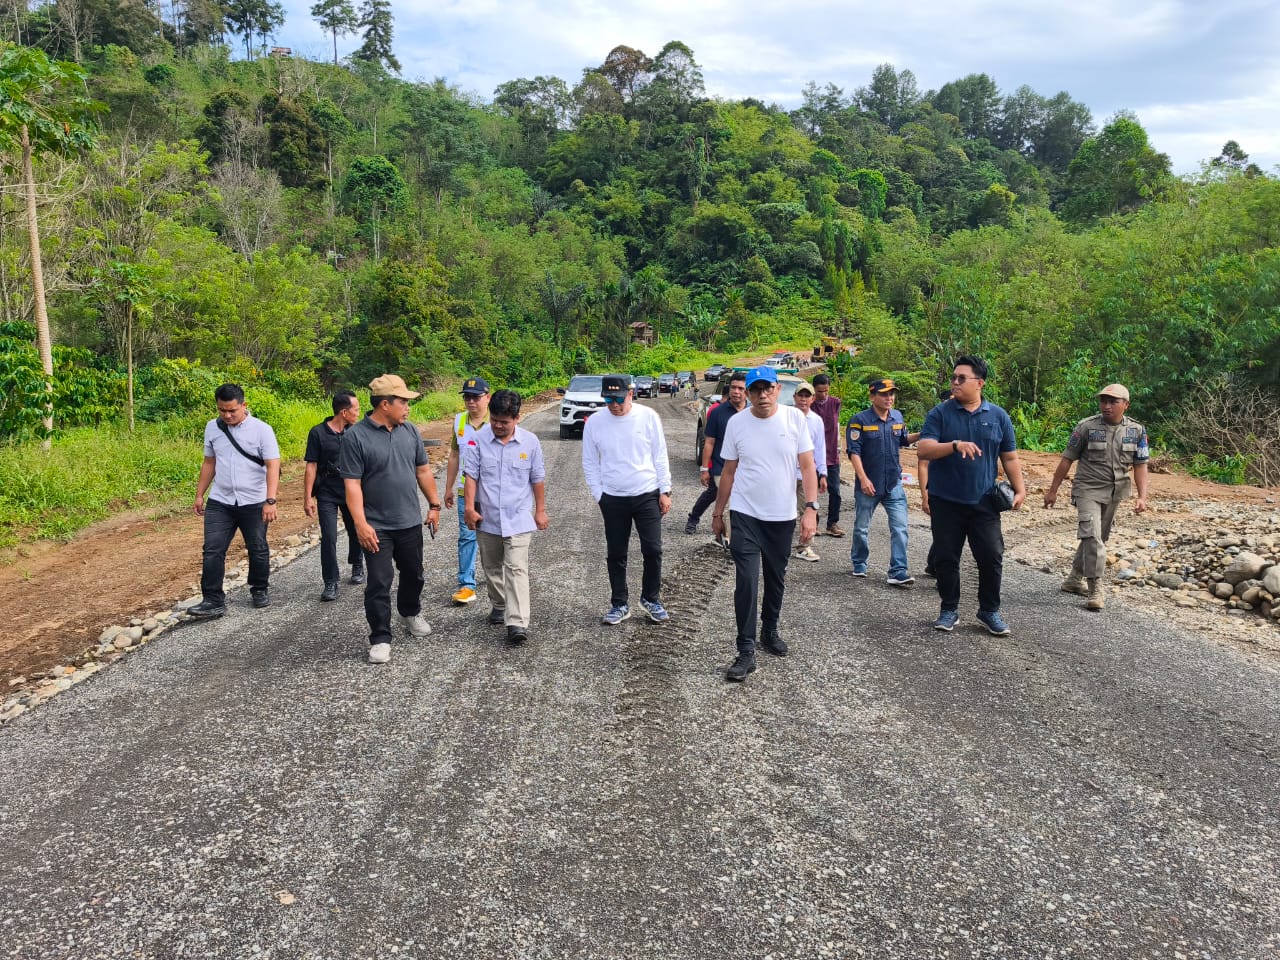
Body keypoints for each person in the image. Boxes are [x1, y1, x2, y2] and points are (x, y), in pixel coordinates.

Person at [712, 366, 819, 682]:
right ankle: (745, 650)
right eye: (755, 389)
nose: (762, 395)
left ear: (776, 390)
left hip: (781, 516)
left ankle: (769, 630)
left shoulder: (794, 419)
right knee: (746, 580)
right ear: (746, 392)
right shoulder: (736, 423)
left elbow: (808, 466)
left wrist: (811, 509)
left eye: (767, 388)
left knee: (776, 577)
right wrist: (719, 514)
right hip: (745, 514)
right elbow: (729, 472)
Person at [338, 374, 443, 665]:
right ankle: (381, 637)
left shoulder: (410, 431)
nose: (408, 407)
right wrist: (360, 524)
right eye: (403, 402)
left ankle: (410, 612)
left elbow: (423, 471)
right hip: (376, 526)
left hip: (409, 521)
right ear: (385, 404)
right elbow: (352, 486)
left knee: (414, 573)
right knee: (379, 583)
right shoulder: (355, 437)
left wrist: (434, 505)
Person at [917, 356, 1026, 635]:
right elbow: (924, 449)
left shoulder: (998, 416)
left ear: (980, 383)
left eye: (961, 378)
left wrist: (1020, 488)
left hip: (984, 500)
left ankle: (989, 610)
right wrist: (954, 445)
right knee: (946, 557)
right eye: (953, 377)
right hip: (945, 500)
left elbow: (1010, 456)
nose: (954, 382)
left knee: (991, 556)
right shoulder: (940, 413)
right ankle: (949, 609)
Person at [1043, 383, 1150, 611]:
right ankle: (1095, 588)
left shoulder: (1137, 431)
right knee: (1092, 537)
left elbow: (1141, 465)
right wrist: (1053, 490)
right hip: (1087, 489)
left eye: (1113, 401)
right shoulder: (1086, 427)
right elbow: (1066, 460)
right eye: (1103, 401)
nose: (1107, 406)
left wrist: (1142, 497)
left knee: (1098, 537)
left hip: (1115, 491)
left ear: (1126, 405)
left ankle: (1074, 579)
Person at [582, 373, 673, 625]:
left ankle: (651, 598)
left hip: (646, 493)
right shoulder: (595, 423)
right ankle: (619, 603)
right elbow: (590, 462)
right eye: (608, 399)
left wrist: (665, 490)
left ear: (631, 393)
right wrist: (598, 494)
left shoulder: (648, 417)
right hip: (613, 497)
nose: (614, 404)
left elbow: (660, 454)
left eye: (618, 398)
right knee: (616, 553)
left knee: (653, 550)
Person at [463, 389, 549, 645]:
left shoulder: (531, 442)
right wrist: (469, 507)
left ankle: (517, 622)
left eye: (504, 422)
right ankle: (499, 604)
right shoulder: (478, 439)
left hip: (519, 517)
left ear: (517, 418)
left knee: (516, 568)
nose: (498, 426)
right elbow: (471, 476)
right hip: (487, 517)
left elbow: (537, 478)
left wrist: (540, 510)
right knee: (492, 567)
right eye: (494, 420)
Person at [189, 383, 281, 619]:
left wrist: (270, 500)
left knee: (257, 547)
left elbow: (273, 465)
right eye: (222, 410)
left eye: (232, 410)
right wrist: (200, 494)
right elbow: (209, 462)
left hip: (254, 500)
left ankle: (259, 588)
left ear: (244, 405)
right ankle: (212, 600)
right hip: (221, 501)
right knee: (212, 549)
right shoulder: (213, 428)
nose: (227, 415)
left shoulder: (262, 430)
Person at [846, 378, 919, 586]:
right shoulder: (859, 420)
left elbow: (904, 439)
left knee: (900, 528)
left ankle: (898, 570)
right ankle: (859, 562)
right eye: (884, 394)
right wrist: (863, 478)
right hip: (869, 484)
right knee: (861, 527)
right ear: (872, 396)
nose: (889, 398)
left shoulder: (897, 417)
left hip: (893, 483)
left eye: (892, 394)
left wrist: (924, 434)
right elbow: (854, 451)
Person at [303, 391, 364, 601]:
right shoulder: (317, 433)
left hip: (351, 490)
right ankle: (330, 582)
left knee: (356, 530)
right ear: (344, 412)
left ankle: (357, 564)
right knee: (329, 537)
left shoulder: (356, 432)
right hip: (327, 491)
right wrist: (308, 497)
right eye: (356, 409)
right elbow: (311, 466)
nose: (358, 413)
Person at [443, 376, 490, 606]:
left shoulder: (497, 421)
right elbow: (454, 455)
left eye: (476, 397)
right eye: (467, 397)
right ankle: (467, 584)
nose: (471, 402)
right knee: (467, 536)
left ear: (487, 397)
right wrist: (448, 488)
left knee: (494, 537)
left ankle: (496, 578)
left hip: (491, 491)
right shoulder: (459, 421)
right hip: (465, 490)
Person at [686, 370, 748, 535]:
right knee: (720, 497)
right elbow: (709, 442)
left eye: (741, 388)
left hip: (746, 469)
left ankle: (735, 536)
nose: (736, 391)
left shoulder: (754, 412)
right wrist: (705, 469)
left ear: (747, 391)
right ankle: (696, 519)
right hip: (721, 467)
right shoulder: (717, 412)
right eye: (734, 387)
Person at [919, 385, 954, 578]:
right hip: (938, 490)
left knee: (948, 533)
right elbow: (922, 464)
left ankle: (934, 564)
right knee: (943, 532)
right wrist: (924, 495)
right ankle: (938, 568)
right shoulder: (934, 427)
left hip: (957, 489)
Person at [791, 381, 827, 562]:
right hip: (786, 473)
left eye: (807, 396)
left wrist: (823, 473)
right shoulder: (786, 417)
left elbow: (820, 449)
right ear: (794, 397)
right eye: (800, 395)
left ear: (812, 399)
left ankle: (804, 546)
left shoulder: (816, 421)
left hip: (806, 474)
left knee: (808, 509)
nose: (803, 399)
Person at [811, 373, 844, 536]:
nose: (823, 395)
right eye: (819, 391)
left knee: (835, 492)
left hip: (832, 454)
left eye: (826, 391)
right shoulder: (809, 405)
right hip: (813, 456)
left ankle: (832, 523)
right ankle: (813, 522)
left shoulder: (836, 403)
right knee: (812, 491)